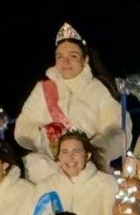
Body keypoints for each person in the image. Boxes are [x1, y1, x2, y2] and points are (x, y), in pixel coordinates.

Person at [16, 23, 132, 167]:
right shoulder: (43, 89)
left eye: (73, 56)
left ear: (85, 60)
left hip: (91, 168)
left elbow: (117, 133)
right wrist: (44, 135)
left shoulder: (100, 90)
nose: (65, 62)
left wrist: (86, 153)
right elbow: (21, 130)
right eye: (60, 57)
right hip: (51, 169)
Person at [27, 130, 119, 215]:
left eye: (76, 152)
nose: (70, 157)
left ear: (87, 156)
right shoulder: (45, 187)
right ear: (59, 157)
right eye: (65, 152)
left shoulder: (106, 184)